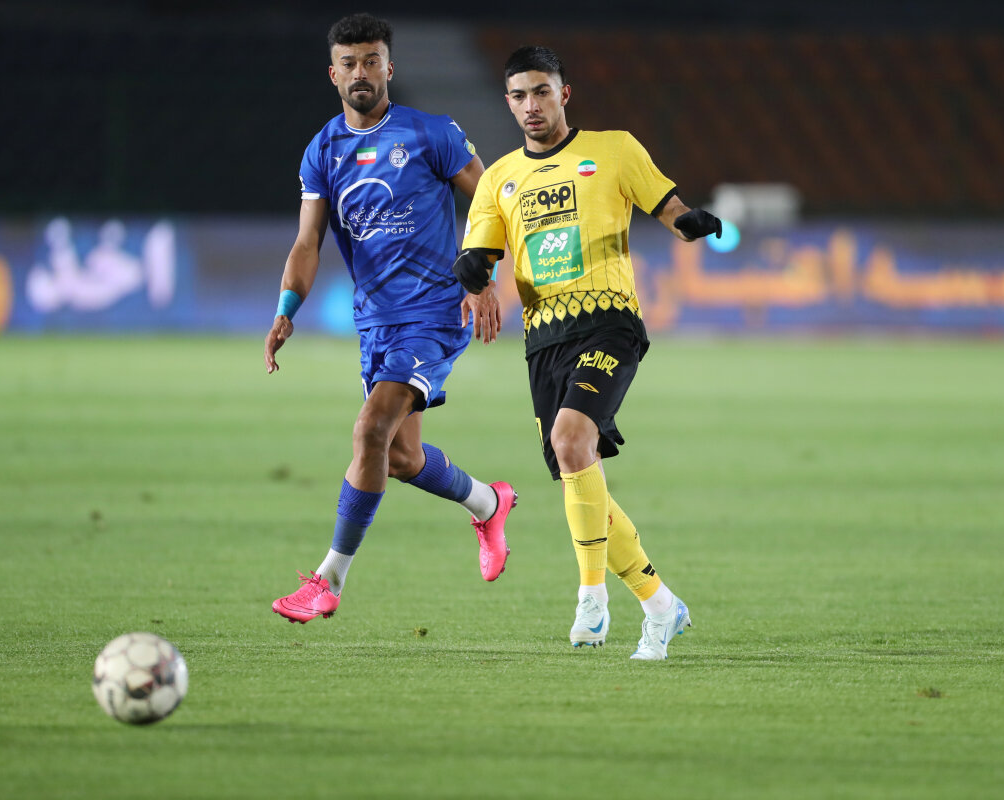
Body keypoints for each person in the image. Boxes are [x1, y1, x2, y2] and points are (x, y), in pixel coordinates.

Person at [453, 45, 722, 660]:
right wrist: (473, 274)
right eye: (519, 95)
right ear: (508, 103)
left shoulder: (615, 150)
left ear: (564, 93)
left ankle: (591, 598)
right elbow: (479, 254)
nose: (531, 105)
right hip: (544, 342)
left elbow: (670, 208)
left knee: (571, 439)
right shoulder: (498, 179)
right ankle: (661, 605)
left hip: (609, 323)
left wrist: (692, 222)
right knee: (581, 470)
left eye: (541, 91)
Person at [265, 13, 516, 625]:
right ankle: (489, 503)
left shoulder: (431, 133)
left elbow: (493, 202)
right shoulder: (323, 151)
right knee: (400, 457)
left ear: (389, 68)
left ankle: (328, 580)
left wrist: (480, 276)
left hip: (435, 312)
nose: (361, 72)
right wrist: (286, 310)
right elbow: (307, 243)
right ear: (333, 74)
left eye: (371, 61)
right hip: (375, 321)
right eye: (349, 63)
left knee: (370, 429)